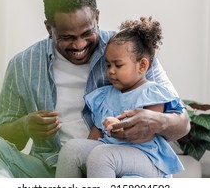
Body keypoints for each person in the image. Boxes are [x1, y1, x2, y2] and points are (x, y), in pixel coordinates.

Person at [0, 0, 190, 178]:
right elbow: (5, 136)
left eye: (86, 33)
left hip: (119, 170)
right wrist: (24, 126)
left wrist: (156, 121)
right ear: (49, 28)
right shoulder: (23, 64)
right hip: (52, 169)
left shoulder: (129, 51)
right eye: (67, 37)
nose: (79, 45)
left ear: (97, 18)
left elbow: (182, 123)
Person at [55, 16, 184, 178]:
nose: (111, 71)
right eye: (108, 65)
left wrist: (120, 125)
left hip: (147, 158)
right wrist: (84, 154)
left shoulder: (152, 93)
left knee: (102, 155)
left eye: (118, 65)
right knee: (72, 149)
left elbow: (146, 133)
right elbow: (95, 137)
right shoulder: (105, 96)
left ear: (142, 65)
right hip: (112, 153)